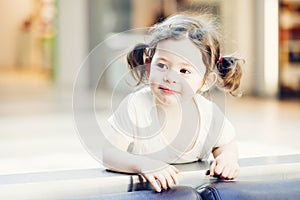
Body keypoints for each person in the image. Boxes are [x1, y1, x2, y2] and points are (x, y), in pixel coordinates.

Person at [102, 12, 243, 193]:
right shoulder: (136, 105)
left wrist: (227, 158)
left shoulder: (209, 114)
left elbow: (226, 143)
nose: (169, 77)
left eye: (184, 70)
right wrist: (144, 164)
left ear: (206, 81)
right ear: (148, 66)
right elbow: (109, 154)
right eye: (162, 65)